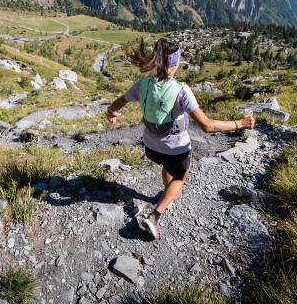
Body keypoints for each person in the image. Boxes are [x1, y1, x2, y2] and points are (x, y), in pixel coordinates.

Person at [106, 38, 255, 240]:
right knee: (180, 176)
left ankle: (168, 194)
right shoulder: (182, 91)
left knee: (167, 166)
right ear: (175, 64)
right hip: (175, 148)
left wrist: (111, 112)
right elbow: (207, 126)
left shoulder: (143, 85)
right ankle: (155, 216)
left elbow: (120, 101)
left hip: (151, 146)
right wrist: (241, 123)